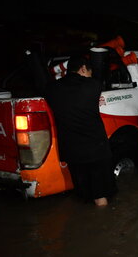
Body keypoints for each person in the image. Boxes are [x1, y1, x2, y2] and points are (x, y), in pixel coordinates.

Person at [45, 56, 117, 207]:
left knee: (83, 195)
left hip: (72, 152)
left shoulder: (52, 88)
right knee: (100, 197)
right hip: (96, 150)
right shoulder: (93, 85)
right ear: (83, 69)